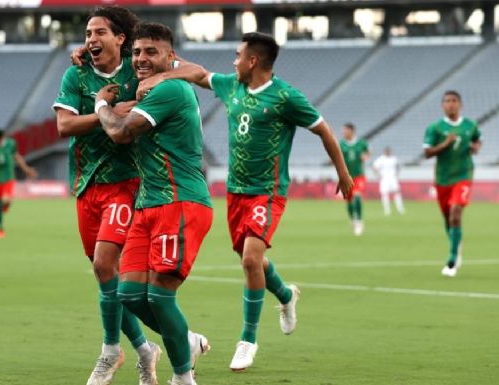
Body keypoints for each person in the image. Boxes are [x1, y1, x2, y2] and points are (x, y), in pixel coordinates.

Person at [135, 31, 353, 372]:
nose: (233, 61)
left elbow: (323, 129)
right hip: (236, 192)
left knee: (251, 259)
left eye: (238, 55)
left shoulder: (285, 97)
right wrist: (164, 71)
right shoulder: (231, 86)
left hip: (268, 192)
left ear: (253, 61)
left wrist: (343, 173)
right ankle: (285, 294)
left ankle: (247, 341)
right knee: (253, 260)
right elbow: (198, 73)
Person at [54, 8, 185, 385]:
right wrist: (105, 111)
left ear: (120, 39)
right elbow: (64, 125)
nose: (91, 39)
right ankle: (146, 349)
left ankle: (111, 351)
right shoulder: (76, 74)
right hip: (86, 184)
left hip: (128, 183)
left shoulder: (138, 66)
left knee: (103, 265)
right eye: (87, 33)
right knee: (106, 277)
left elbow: (184, 68)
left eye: (99, 32)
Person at [94, 22, 214, 385]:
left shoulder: (173, 89)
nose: (141, 59)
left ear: (170, 57)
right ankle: (187, 341)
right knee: (129, 294)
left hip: (180, 202)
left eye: (151, 52)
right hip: (148, 204)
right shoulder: (153, 82)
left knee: (161, 299)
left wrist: (103, 104)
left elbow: (119, 132)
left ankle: (182, 378)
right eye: (137, 52)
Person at [423, 90, 481, 278]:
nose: (451, 104)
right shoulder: (435, 128)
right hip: (442, 179)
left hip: (463, 175)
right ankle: (456, 243)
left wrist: (475, 148)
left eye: (454, 101)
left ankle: (452, 258)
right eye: (447, 101)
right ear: (442, 106)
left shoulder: (470, 125)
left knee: (456, 213)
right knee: (449, 220)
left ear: (460, 104)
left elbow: (477, 140)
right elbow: (427, 153)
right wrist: (445, 144)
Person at [339, 123, 369, 236]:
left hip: (359, 176)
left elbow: (368, 151)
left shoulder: (361, 143)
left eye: (345, 130)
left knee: (357, 196)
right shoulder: (341, 144)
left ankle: (359, 221)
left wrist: (365, 156)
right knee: (349, 201)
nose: (343, 133)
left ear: (351, 131)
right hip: (346, 177)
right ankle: (353, 220)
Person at [372, 147, 405, 216]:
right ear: (385, 152)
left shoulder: (394, 159)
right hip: (384, 178)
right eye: (387, 151)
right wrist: (377, 175)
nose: (388, 152)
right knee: (385, 194)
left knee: (397, 193)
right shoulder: (381, 159)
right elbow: (374, 167)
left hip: (393, 178)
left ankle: (400, 209)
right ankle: (387, 210)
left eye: (389, 151)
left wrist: (397, 174)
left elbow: (398, 167)